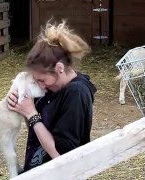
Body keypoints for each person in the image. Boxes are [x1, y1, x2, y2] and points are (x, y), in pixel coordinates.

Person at [7, 20, 97, 172]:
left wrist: (31, 114)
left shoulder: (76, 93)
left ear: (59, 68)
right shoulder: (52, 88)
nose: (41, 86)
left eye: (42, 80)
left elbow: (60, 154)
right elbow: (37, 128)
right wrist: (20, 104)